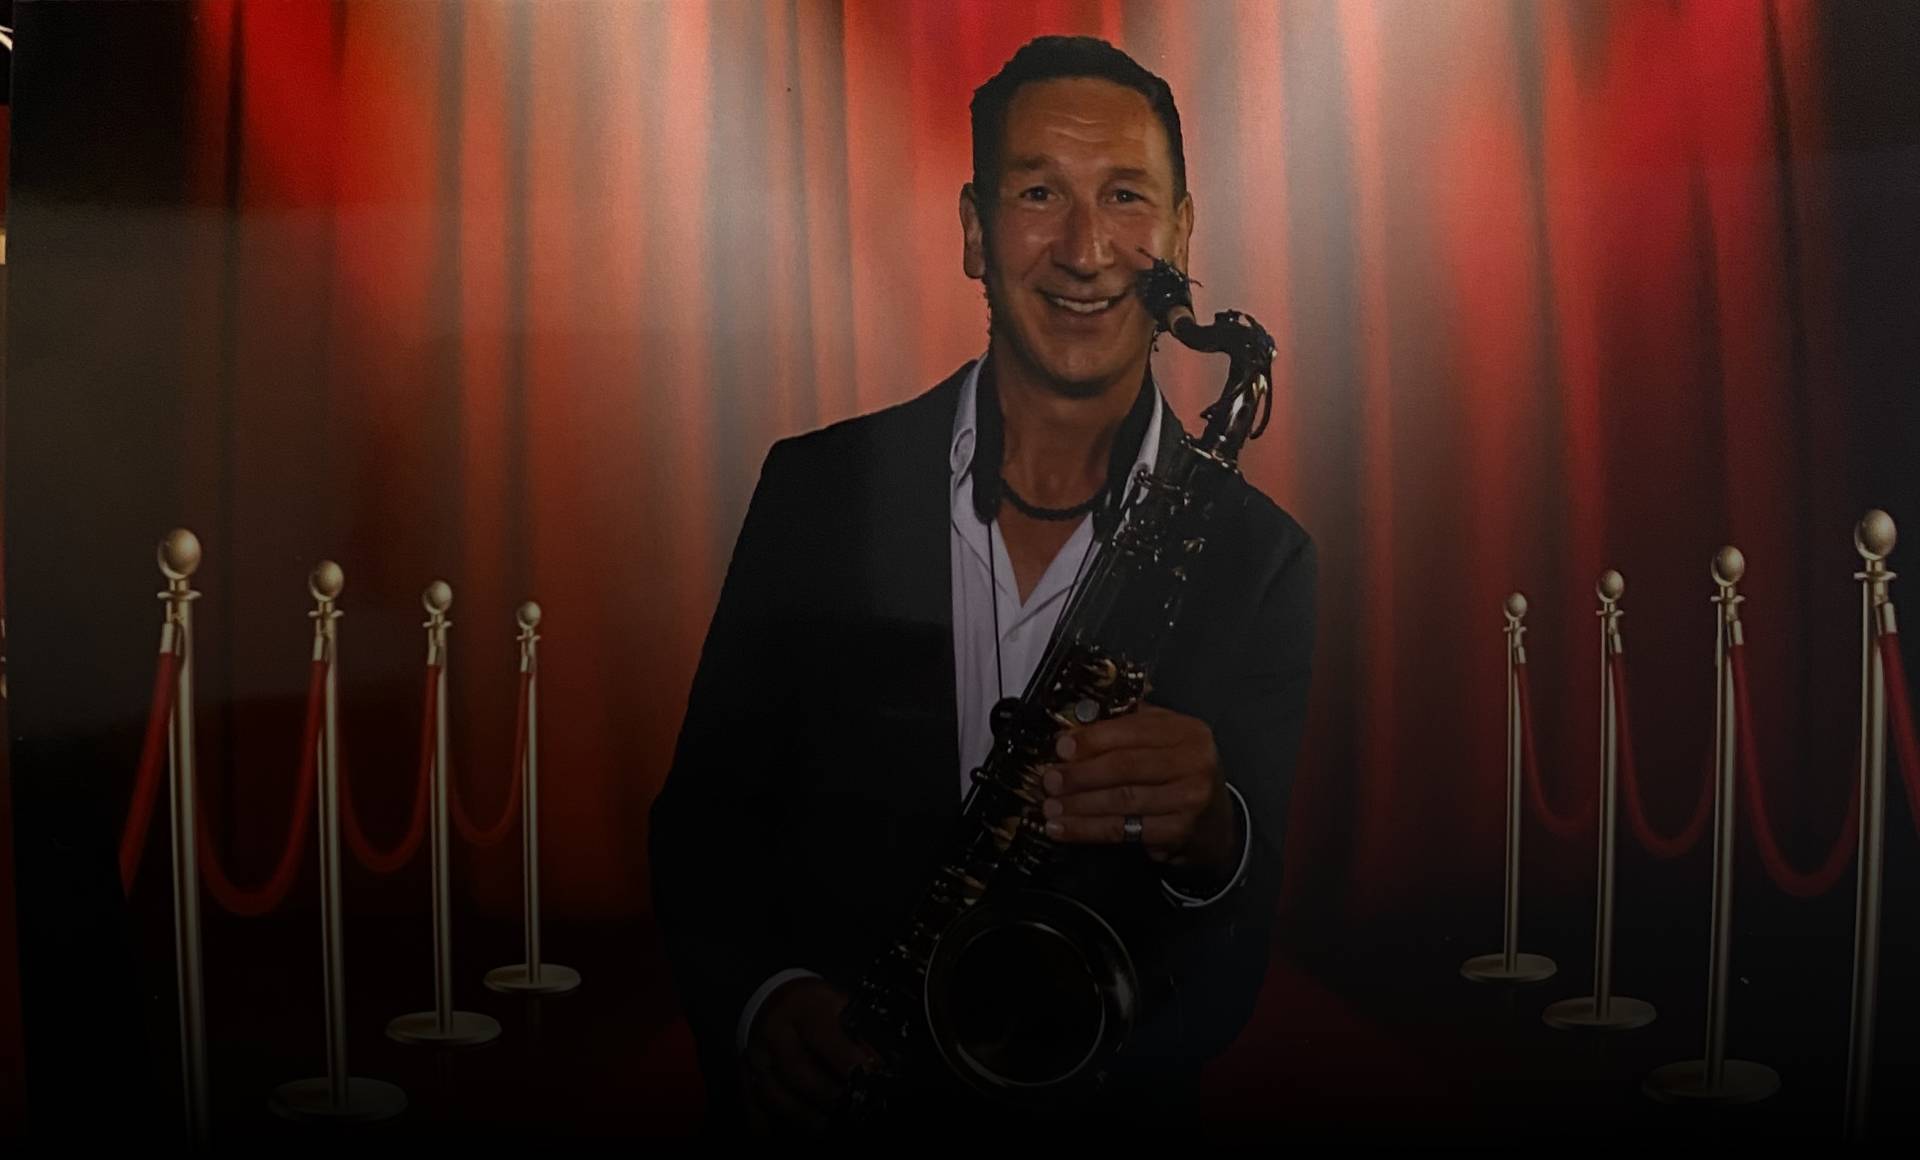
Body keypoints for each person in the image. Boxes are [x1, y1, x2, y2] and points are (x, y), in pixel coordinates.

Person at [648, 35, 1316, 1135]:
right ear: (973, 231)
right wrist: (763, 1001)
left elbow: (1241, 942)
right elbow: (703, 822)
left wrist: (1214, 838)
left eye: (1127, 197)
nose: (1087, 252)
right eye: (1038, 193)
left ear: (1181, 235)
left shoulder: (1266, 559)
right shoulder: (818, 490)